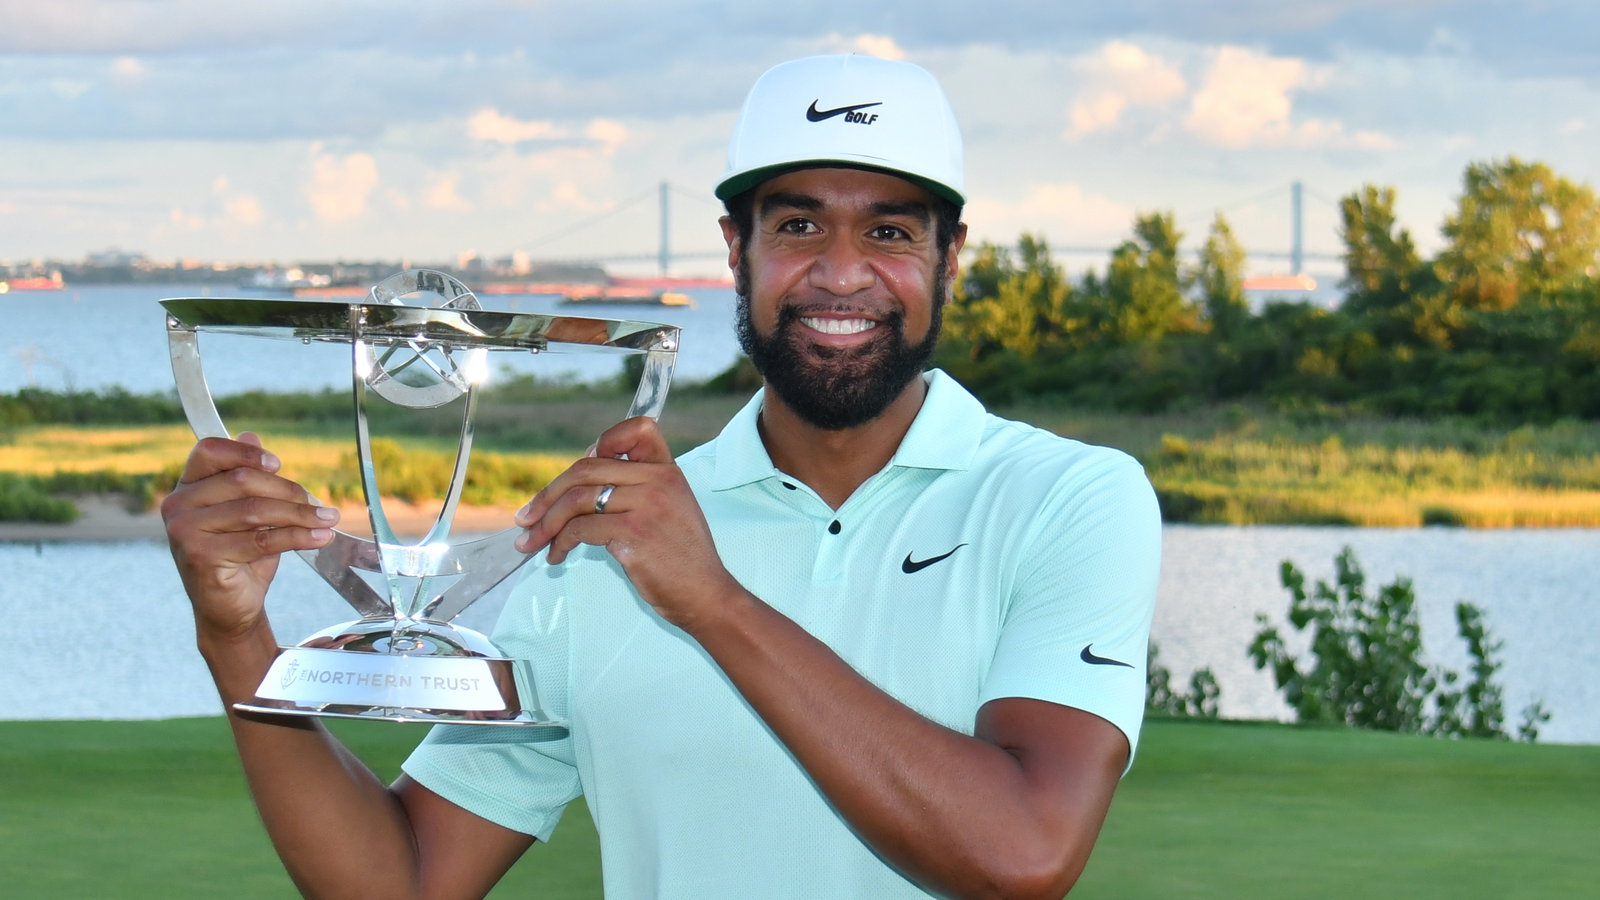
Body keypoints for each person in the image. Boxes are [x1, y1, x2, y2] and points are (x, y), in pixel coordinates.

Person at [163, 54, 1160, 899]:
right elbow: (404, 880)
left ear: (951, 258)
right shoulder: (609, 542)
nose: (841, 272)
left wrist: (712, 601)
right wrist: (237, 637)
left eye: (890, 232)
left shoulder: (1068, 499)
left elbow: (1024, 852)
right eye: (798, 226)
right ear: (736, 248)